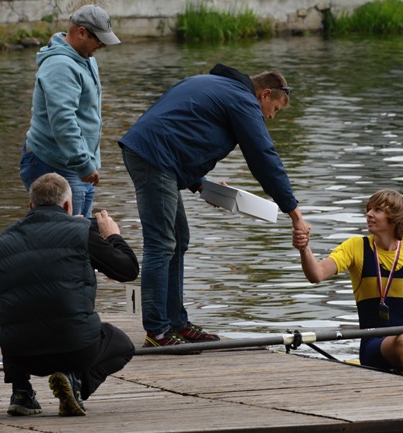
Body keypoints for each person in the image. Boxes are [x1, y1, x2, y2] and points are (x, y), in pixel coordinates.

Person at [118, 63, 311, 347]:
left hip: (156, 155)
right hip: (154, 158)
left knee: (178, 239)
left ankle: (176, 323)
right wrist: (294, 212)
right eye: (275, 109)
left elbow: (181, 130)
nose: (271, 117)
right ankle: (157, 332)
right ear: (265, 94)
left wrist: (200, 184)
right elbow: (264, 158)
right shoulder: (243, 100)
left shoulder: (218, 86)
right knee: (161, 243)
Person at [0, 173, 139, 416]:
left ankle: (21, 392)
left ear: (31, 205)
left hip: (20, 354)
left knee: (14, 314)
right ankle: (78, 383)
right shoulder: (82, 232)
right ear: (68, 205)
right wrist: (112, 236)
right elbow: (128, 270)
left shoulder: (2, 241)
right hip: (76, 350)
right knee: (122, 344)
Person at [292, 189, 403, 384]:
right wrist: (304, 249)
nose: (369, 214)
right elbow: (317, 274)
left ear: (395, 218)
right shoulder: (356, 247)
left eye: (377, 210)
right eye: (369, 209)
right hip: (374, 344)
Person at [19, 4, 121, 218]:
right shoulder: (61, 66)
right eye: (99, 39)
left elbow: (87, 115)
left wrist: (88, 162)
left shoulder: (86, 59)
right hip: (55, 163)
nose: (103, 45)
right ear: (81, 32)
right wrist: (83, 164)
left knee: (79, 232)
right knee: (62, 234)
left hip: (75, 163)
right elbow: (63, 121)